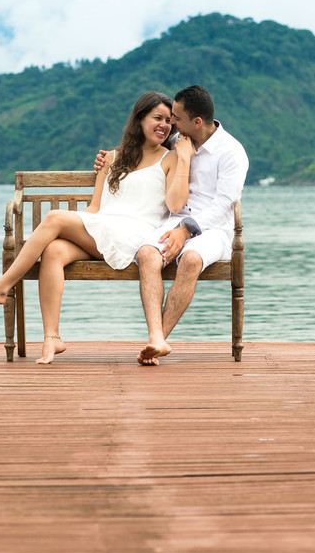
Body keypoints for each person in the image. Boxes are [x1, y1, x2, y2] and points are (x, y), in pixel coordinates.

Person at [0, 91, 189, 364]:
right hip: (104, 229)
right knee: (55, 250)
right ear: (140, 119)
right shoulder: (112, 158)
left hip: (136, 236)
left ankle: (2, 286)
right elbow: (95, 208)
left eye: (168, 121)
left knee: (55, 218)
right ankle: (52, 338)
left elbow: (176, 204)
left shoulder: (170, 159)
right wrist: (80, 227)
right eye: (157, 118)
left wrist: (184, 158)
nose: (164, 125)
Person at [98, 85, 248, 365]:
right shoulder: (179, 141)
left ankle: (158, 340)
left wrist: (187, 229)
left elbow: (223, 207)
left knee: (191, 259)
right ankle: (156, 337)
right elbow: (141, 153)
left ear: (197, 122)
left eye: (176, 118)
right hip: (175, 220)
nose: (171, 124)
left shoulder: (232, 153)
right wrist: (105, 161)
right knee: (146, 254)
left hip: (214, 230)